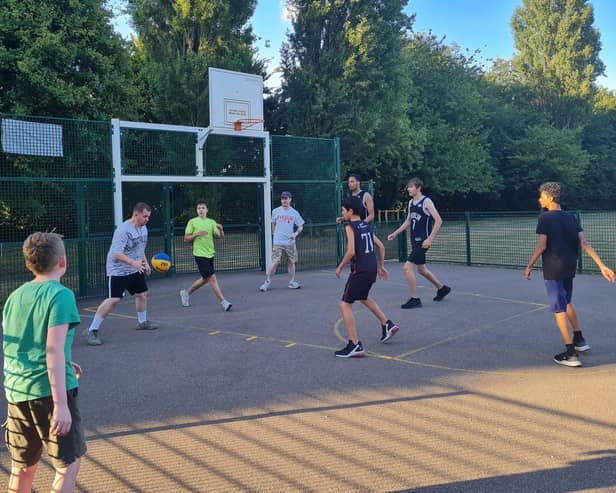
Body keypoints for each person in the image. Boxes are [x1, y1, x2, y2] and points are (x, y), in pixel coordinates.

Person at [2, 232, 86, 492]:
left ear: (29, 263)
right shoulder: (60, 295)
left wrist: (65, 362)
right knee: (67, 465)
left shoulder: (14, 296)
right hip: (48, 393)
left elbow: (20, 344)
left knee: (23, 467)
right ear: (62, 262)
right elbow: (52, 348)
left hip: (17, 392)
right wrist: (61, 405)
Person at [524, 182, 615, 367]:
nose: (539, 199)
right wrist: (601, 265)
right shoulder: (571, 217)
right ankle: (579, 339)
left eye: (541, 196)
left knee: (559, 309)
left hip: (553, 268)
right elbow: (584, 243)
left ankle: (570, 353)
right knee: (567, 302)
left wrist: (529, 266)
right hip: (569, 266)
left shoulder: (545, 218)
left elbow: (542, 246)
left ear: (550, 197)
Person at [335, 197, 400, 358]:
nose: (342, 213)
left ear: (350, 211)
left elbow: (351, 252)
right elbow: (381, 246)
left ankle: (354, 344)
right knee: (363, 297)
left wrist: (340, 267)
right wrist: (380, 266)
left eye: (343, 210)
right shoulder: (366, 225)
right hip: (370, 269)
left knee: (344, 304)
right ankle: (387, 324)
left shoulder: (350, 227)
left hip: (360, 270)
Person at [85, 202, 157, 346]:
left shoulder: (143, 229)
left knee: (142, 294)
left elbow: (139, 247)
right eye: (145, 216)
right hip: (118, 269)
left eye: (148, 217)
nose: (147, 219)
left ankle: (142, 322)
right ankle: (92, 330)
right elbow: (116, 253)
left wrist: (145, 262)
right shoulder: (123, 230)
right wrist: (133, 263)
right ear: (135, 214)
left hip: (135, 267)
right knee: (114, 300)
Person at [388, 177, 451, 308]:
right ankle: (442, 288)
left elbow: (439, 220)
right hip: (415, 240)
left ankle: (414, 299)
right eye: (408, 187)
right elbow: (408, 221)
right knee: (421, 270)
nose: (408, 189)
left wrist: (430, 239)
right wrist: (396, 232)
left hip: (423, 241)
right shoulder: (411, 203)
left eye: (411, 187)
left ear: (418, 188)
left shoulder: (426, 201)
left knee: (407, 267)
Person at [180, 199, 232, 311]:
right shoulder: (192, 222)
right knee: (212, 278)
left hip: (210, 253)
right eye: (199, 208)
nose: (201, 210)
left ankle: (186, 293)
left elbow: (220, 237)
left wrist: (221, 230)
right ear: (196, 210)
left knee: (205, 279)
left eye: (203, 208)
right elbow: (186, 238)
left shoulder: (211, 222)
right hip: (199, 254)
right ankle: (224, 302)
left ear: (207, 210)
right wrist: (196, 234)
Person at [259, 191, 305, 291]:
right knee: (275, 262)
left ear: (290, 199)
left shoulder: (294, 213)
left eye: (286, 198)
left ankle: (291, 282)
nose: (284, 200)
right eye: (282, 198)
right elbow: (273, 223)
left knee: (291, 262)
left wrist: (295, 234)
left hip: (290, 242)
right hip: (278, 242)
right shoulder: (275, 211)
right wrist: (274, 234)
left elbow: (300, 226)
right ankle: (267, 282)